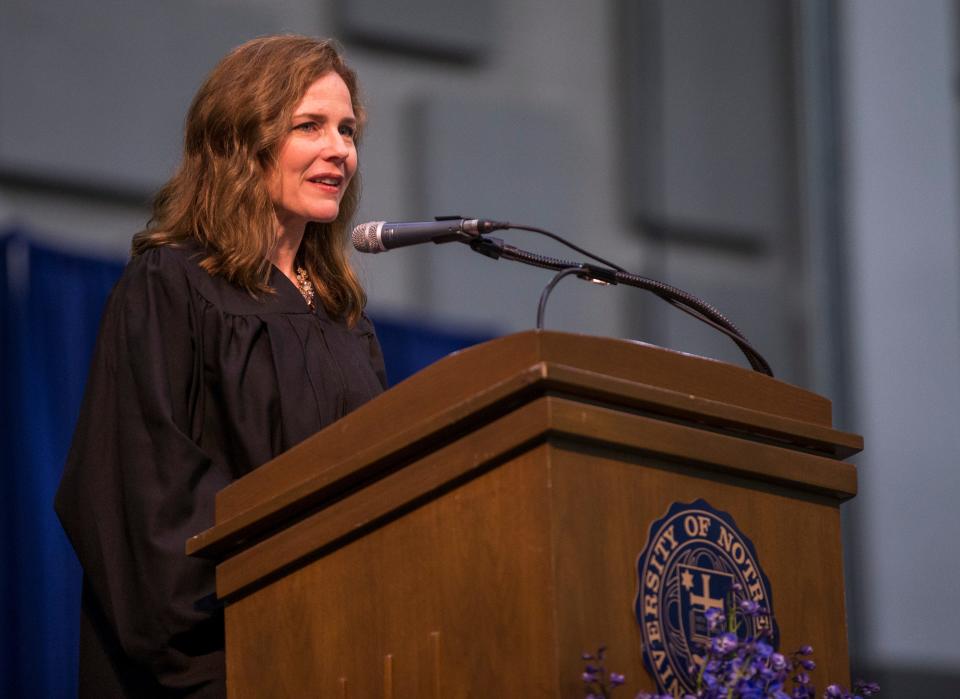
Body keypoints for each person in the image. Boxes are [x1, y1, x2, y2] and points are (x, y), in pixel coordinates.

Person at [54, 36, 387, 698]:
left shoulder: (346, 320)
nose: (340, 149)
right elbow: (148, 505)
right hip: (223, 668)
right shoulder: (171, 288)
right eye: (310, 126)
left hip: (341, 660)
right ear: (243, 138)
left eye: (347, 129)